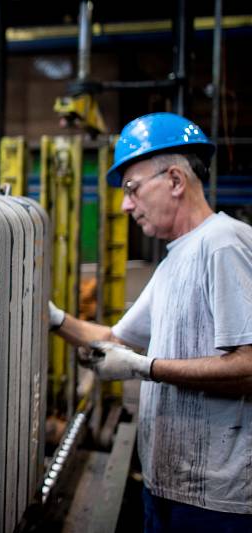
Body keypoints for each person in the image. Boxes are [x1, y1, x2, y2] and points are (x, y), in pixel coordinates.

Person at [48, 112, 252, 532]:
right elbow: (112, 338)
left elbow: (248, 366)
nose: (125, 204)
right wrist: (47, 316)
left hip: (216, 502)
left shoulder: (223, 244)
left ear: (175, 181)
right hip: (166, 486)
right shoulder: (176, 257)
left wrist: (147, 368)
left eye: (131, 189)